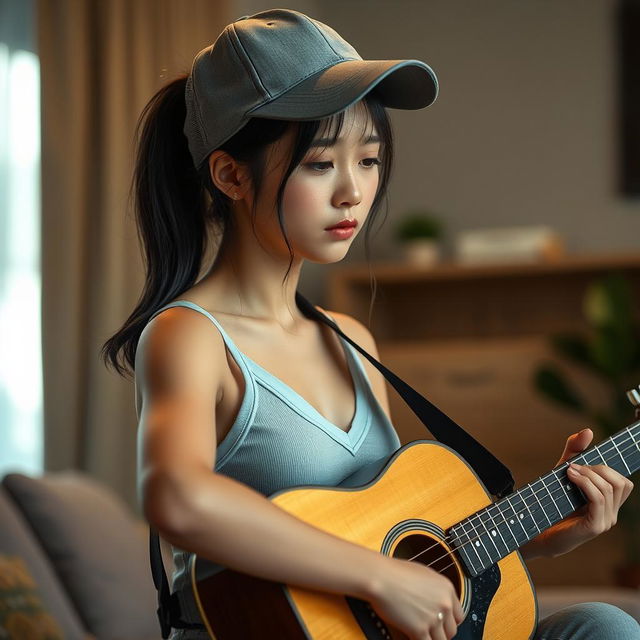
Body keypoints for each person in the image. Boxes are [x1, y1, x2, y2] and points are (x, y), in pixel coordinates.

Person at [101, 8, 639, 640]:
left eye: (370, 159)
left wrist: (542, 535)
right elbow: (176, 497)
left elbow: (401, 536)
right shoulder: (190, 335)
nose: (353, 192)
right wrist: (378, 578)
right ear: (231, 175)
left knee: (601, 625)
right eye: (321, 163)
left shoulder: (352, 339)